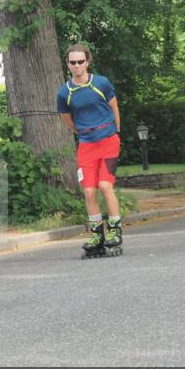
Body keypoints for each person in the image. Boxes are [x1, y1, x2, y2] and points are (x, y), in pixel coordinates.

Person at [56, 43, 124, 258]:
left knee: (105, 186)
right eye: (72, 62)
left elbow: (114, 107)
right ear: (68, 64)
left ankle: (115, 231)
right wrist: (84, 132)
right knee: (89, 191)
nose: (77, 66)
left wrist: (116, 132)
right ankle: (96, 234)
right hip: (87, 145)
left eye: (80, 62)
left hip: (108, 141)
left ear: (87, 62)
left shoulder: (101, 83)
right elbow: (67, 119)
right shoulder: (64, 92)